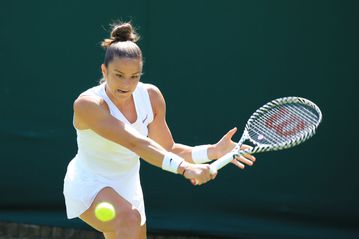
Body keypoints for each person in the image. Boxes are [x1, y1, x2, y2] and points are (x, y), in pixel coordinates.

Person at [63, 22, 256, 239]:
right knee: (129, 219)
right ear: (104, 70)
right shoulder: (88, 104)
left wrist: (211, 151)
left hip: (128, 186)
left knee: (131, 221)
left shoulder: (151, 97)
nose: (127, 84)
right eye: (118, 75)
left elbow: (167, 148)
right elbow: (136, 143)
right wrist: (185, 168)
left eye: (134, 76)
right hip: (90, 184)